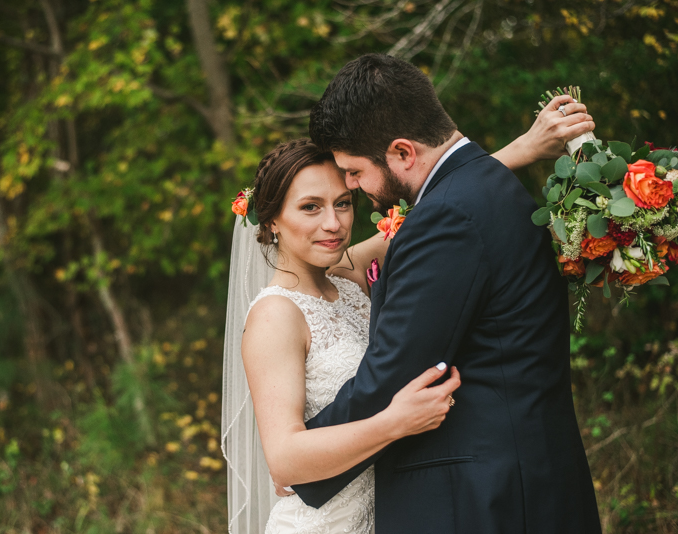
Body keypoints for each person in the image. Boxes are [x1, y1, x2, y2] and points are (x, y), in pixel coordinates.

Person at [222, 56, 598, 534]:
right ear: (270, 220)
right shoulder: (277, 313)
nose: (334, 222)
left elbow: (446, 200)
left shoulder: (348, 271)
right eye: (310, 207)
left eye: (345, 196)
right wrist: (387, 425)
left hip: (416, 495)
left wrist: (520, 149)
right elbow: (286, 459)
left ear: (400, 153)